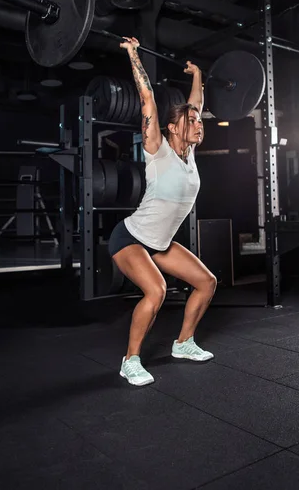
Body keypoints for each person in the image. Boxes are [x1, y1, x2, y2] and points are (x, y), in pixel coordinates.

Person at [108, 36, 217, 386]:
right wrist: (134, 54)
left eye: (200, 122)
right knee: (155, 291)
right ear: (171, 128)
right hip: (130, 238)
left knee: (206, 282)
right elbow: (147, 100)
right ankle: (130, 360)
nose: (198, 125)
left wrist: (197, 74)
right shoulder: (158, 149)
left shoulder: (190, 156)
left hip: (160, 242)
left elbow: (195, 103)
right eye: (191, 122)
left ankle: (183, 343)